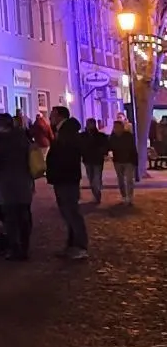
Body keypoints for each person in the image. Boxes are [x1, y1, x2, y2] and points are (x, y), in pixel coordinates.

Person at [0, 113, 33, 261]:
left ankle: (14, 249)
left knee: (11, 217)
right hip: (24, 182)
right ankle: (24, 248)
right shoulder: (23, 138)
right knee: (24, 216)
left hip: (6, 185)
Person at [46, 105, 87, 260]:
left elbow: (66, 155)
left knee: (71, 212)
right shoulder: (62, 132)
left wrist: (56, 168)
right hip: (64, 177)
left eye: (52, 114)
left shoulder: (67, 133)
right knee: (67, 213)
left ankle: (80, 246)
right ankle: (72, 245)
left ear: (59, 116)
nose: (50, 117)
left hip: (66, 178)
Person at [108, 119, 139, 205]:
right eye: (115, 127)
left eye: (118, 127)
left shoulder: (128, 136)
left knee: (129, 179)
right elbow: (109, 146)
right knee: (121, 179)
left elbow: (133, 149)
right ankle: (124, 196)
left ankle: (130, 197)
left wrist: (135, 161)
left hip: (129, 160)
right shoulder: (112, 137)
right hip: (118, 160)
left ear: (122, 127)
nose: (116, 129)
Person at [81, 119, 109, 204]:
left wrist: (102, 152)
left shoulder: (100, 136)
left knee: (96, 178)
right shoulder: (83, 136)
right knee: (90, 178)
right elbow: (80, 146)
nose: (90, 126)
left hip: (97, 160)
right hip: (87, 159)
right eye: (88, 124)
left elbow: (105, 145)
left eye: (91, 124)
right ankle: (96, 194)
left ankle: (97, 193)